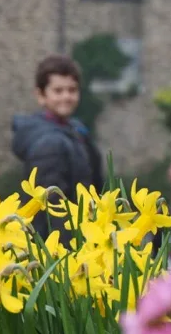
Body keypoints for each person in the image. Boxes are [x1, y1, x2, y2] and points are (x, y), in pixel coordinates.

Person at [12, 54, 104, 243]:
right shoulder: (48, 143)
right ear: (40, 95)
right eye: (58, 90)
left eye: (72, 90)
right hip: (62, 245)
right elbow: (53, 209)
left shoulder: (75, 130)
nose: (66, 97)